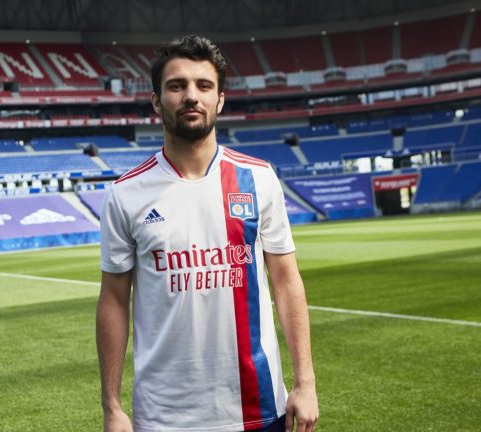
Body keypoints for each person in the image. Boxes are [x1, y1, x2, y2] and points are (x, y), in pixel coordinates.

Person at [96, 34, 318, 432]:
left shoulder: (258, 178)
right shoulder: (125, 193)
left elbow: (287, 282)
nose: (191, 96)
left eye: (203, 85)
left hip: (257, 408)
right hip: (163, 417)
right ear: (156, 101)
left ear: (220, 99)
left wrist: (306, 382)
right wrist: (111, 406)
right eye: (176, 86)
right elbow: (113, 299)